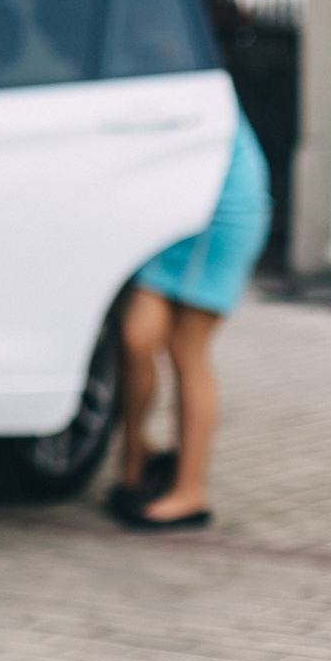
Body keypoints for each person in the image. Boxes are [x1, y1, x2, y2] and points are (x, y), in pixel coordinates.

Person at [108, 108, 271, 532]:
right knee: (137, 337)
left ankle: (189, 491)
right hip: (175, 212)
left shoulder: (183, 56)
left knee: (187, 348)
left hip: (219, 214)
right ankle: (135, 458)